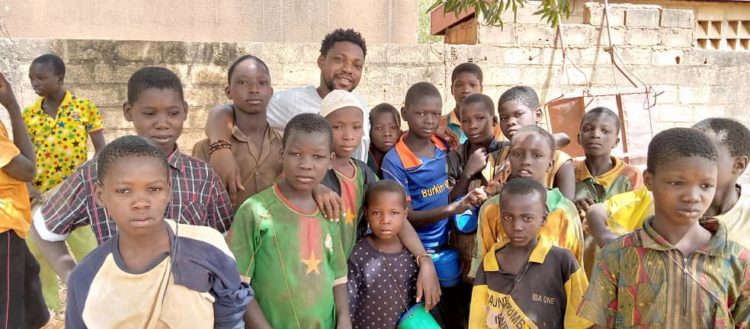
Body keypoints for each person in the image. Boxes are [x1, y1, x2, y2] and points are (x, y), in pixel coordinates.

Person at [31, 67, 233, 284]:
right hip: (118, 300)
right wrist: (75, 279)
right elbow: (44, 227)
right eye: (149, 113)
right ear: (128, 111)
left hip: (186, 299)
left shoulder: (203, 176)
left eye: (173, 113)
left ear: (185, 111)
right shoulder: (96, 172)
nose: (162, 123)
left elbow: (224, 239)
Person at [65, 136, 256, 328]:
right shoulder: (87, 277)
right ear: (100, 195)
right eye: (123, 191)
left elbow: (230, 318)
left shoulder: (207, 246)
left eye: (154, 189)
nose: (140, 202)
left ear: (168, 191)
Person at [578, 128, 750, 327]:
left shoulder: (737, 261)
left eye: (706, 185)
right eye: (677, 183)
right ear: (649, 180)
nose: (693, 196)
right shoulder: (616, 255)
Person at [206, 28, 370, 206]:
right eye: (339, 60)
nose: (348, 69)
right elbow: (226, 111)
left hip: (352, 207)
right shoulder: (292, 101)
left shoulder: (360, 104)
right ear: (321, 61)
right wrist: (220, 148)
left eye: (357, 65)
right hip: (310, 204)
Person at [229, 113, 351, 329]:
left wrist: (344, 319)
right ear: (281, 154)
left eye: (317, 157)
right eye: (296, 154)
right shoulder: (256, 211)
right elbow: (238, 283)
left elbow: (338, 275)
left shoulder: (328, 209)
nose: (306, 165)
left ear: (331, 161)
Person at [382, 82, 484, 328]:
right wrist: (453, 209)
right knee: (427, 314)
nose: (429, 120)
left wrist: (467, 176)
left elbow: (447, 196)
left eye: (435, 114)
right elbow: (406, 217)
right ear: (405, 113)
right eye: (420, 113)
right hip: (416, 252)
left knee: (456, 311)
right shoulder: (394, 161)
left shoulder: (442, 145)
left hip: (447, 246)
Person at [586, 118, 750, 251]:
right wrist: (604, 235)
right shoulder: (658, 198)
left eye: (709, 155)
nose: (694, 160)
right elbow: (599, 210)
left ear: (739, 165)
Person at [23, 54, 107, 312]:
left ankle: (98, 301)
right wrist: (28, 186)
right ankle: (47, 309)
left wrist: (92, 182)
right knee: (37, 253)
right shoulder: (29, 115)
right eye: (32, 79)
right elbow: (23, 154)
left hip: (76, 195)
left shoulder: (84, 108)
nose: (35, 83)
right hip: (42, 196)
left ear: (59, 77)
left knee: (90, 250)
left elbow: (101, 150)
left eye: (41, 77)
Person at [469, 178, 590, 329]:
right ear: (500, 217)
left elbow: (582, 321)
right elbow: (477, 320)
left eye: (527, 218)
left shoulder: (562, 262)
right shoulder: (489, 264)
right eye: (508, 217)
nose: (517, 226)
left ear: (544, 218)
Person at [473, 126, 584, 279]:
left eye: (537, 155)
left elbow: (574, 273)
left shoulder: (563, 210)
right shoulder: (492, 208)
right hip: (502, 298)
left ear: (550, 165)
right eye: (518, 154)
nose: (526, 161)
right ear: (509, 158)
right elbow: (482, 269)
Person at [193, 55, 282, 207]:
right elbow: (198, 202)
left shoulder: (286, 145)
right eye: (242, 82)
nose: (254, 89)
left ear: (271, 91)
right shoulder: (206, 149)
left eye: (262, 82)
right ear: (228, 91)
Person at [0, 72, 49, 328]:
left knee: (34, 304)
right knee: (8, 313)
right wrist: (12, 106)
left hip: (12, 225)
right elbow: (28, 169)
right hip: (3, 228)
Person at [573, 107, 641, 276]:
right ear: (579, 138)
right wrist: (571, 206)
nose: (596, 134)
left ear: (616, 142)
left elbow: (638, 219)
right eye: (588, 129)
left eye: (605, 131)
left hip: (616, 267)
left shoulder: (630, 176)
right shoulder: (569, 171)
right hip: (575, 267)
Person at [347, 180, 419, 329]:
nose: (385, 220)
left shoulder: (412, 253)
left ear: (404, 215)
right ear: (366, 214)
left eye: (394, 213)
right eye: (376, 213)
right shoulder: (358, 254)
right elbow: (349, 302)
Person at [497, 86, 575, 200]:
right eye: (504, 118)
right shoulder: (496, 157)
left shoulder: (560, 161)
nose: (510, 122)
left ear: (538, 115)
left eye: (518, 114)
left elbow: (566, 208)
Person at [440, 63, 504, 145]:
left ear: (481, 89)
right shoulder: (440, 124)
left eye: (472, 85)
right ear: (452, 89)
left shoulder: (493, 125)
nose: (466, 90)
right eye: (459, 85)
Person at [367, 103, 401, 177]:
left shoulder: (403, 157)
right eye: (379, 128)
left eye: (393, 127)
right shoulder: (365, 160)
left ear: (399, 132)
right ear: (369, 133)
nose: (387, 133)